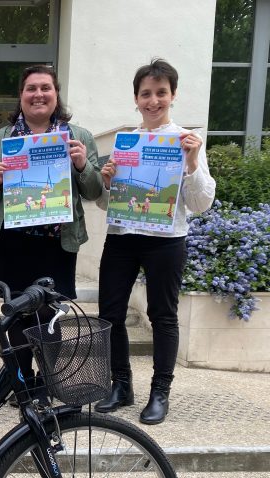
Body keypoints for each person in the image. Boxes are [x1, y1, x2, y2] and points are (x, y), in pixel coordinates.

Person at [94, 59, 215, 424]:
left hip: (166, 240)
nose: (153, 100)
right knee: (110, 314)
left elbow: (201, 203)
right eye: (146, 93)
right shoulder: (125, 142)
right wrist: (109, 182)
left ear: (172, 95)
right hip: (123, 238)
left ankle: (160, 391)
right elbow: (104, 203)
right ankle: (121, 384)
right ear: (136, 99)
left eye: (161, 93)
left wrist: (192, 163)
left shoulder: (186, 142)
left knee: (163, 315)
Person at [0, 64, 103, 403]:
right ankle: (23, 382)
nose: (38, 94)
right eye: (31, 88)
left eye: (45, 87)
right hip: (13, 243)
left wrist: (82, 165)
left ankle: (46, 383)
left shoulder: (79, 137)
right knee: (16, 314)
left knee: (48, 317)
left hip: (57, 243)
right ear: (21, 96)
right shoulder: (0, 139)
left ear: (55, 94)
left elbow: (94, 191)